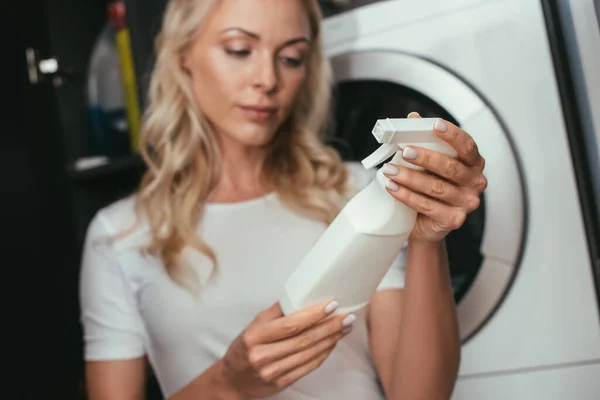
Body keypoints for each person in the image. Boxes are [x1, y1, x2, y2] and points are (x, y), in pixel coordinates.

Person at [79, 0, 487, 399]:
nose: (267, 79)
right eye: (239, 50)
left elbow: (420, 394)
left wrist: (426, 240)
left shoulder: (357, 193)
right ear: (184, 52)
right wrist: (229, 384)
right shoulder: (120, 235)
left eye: (291, 58)